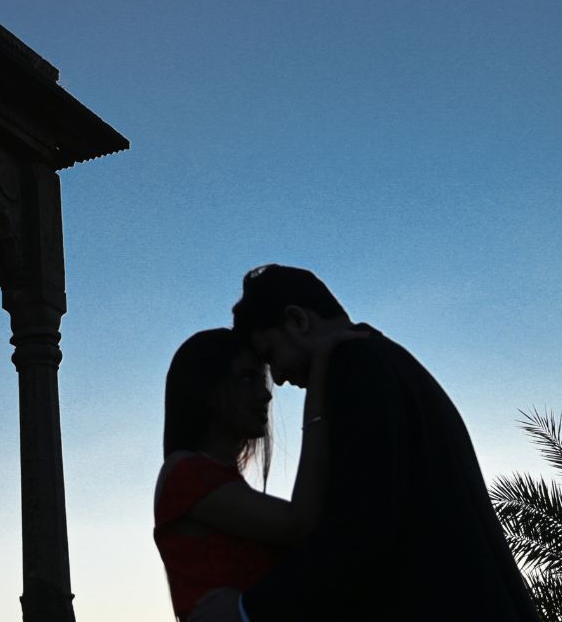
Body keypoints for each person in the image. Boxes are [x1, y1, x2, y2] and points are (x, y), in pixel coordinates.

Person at [188, 264, 540, 622]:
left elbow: (360, 525)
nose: (276, 379)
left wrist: (247, 610)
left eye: (271, 355)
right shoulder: (389, 361)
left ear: (296, 321)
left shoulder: (356, 367)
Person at [153, 327, 342, 620]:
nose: (265, 394)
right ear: (207, 390)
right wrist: (318, 396)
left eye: (261, 379)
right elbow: (298, 523)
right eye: (247, 378)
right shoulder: (185, 474)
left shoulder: (218, 481)